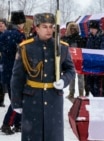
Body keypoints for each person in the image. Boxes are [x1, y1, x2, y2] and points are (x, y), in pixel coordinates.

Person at [10, 12, 75, 141]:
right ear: (37, 28)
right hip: (32, 99)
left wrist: (63, 81)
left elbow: (70, 70)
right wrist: (16, 102)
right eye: (45, 27)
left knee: (53, 136)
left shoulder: (61, 47)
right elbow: (17, 77)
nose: (49, 30)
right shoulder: (26, 48)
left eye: (51, 26)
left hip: (53, 99)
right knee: (32, 135)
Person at [0, 11, 26, 135]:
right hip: (17, 71)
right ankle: (7, 124)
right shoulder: (19, 36)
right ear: (20, 23)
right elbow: (24, 55)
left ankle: (17, 123)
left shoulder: (4, 34)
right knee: (18, 99)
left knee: (14, 98)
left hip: (6, 70)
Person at [62, 22, 87, 101]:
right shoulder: (66, 38)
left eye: (74, 29)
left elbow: (83, 48)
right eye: (71, 29)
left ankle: (81, 93)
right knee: (71, 77)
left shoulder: (80, 38)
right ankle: (71, 93)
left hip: (79, 60)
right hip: (70, 60)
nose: (72, 30)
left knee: (80, 77)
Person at [85, 20, 104, 97]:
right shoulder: (90, 37)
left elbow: (103, 50)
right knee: (90, 84)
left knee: (98, 86)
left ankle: (101, 101)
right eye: (90, 29)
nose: (91, 31)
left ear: (97, 29)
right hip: (91, 65)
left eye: (92, 29)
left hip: (99, 65)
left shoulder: (103, 36)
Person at [0, 18, 7, 107]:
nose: (0, 25)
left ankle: (0, 100)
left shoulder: (6, 35)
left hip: (3, 61)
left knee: (1, 82)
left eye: (2, 23)